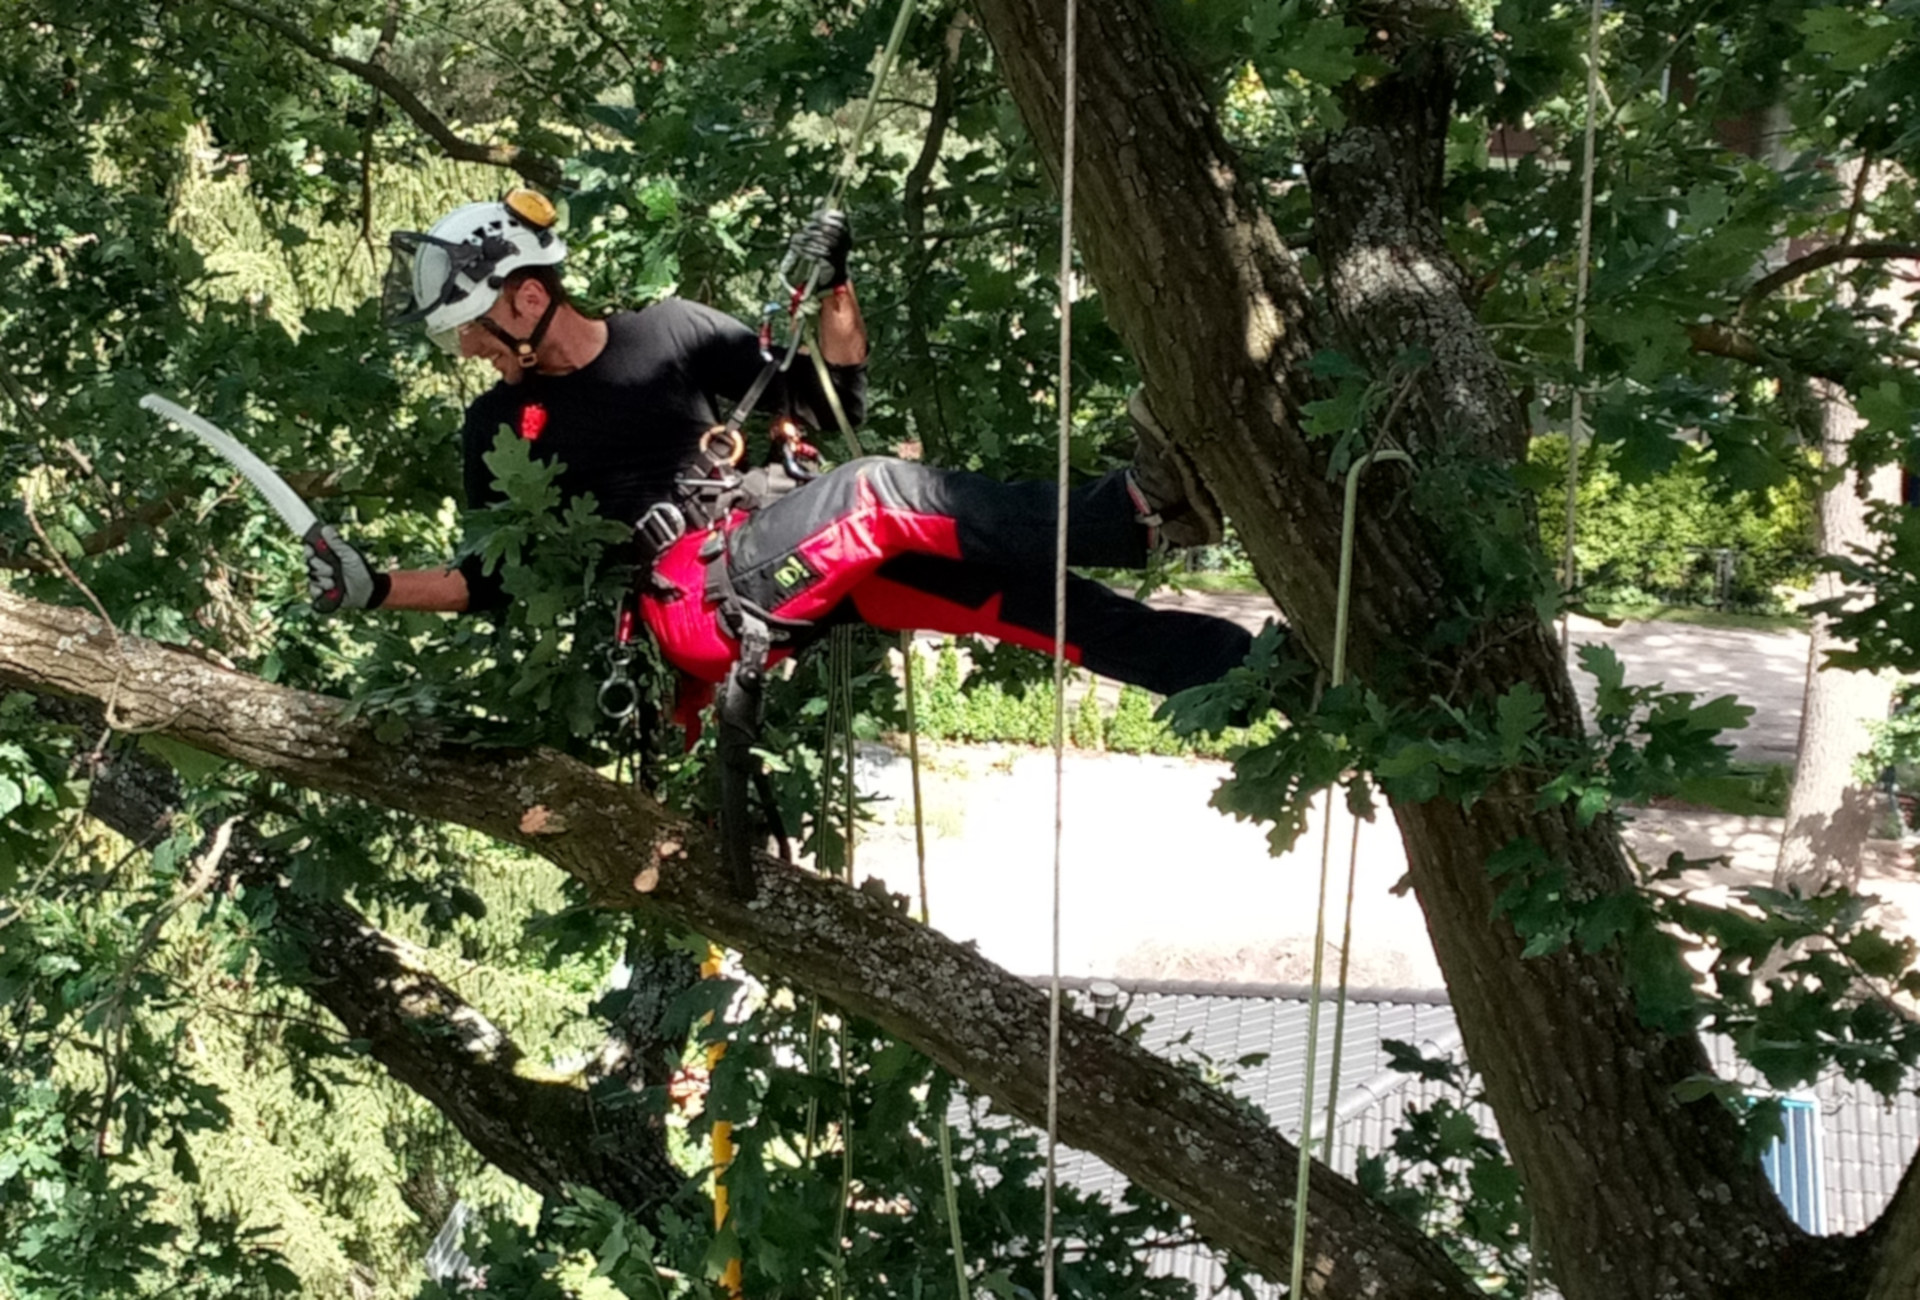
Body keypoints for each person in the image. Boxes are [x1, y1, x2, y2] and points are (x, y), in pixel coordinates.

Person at [309, 188, 1253, 716]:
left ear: (524, 297)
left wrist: (836, 286)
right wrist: (377, 586)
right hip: (693, 602)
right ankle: (1140, 512)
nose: (468, 351)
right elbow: (490, 582)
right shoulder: (498, 430)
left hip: (783, 548)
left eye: (471, 328)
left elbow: (832, 391)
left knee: (1037, 603)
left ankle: (1266, 679)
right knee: (877, 491)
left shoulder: (668, 332)